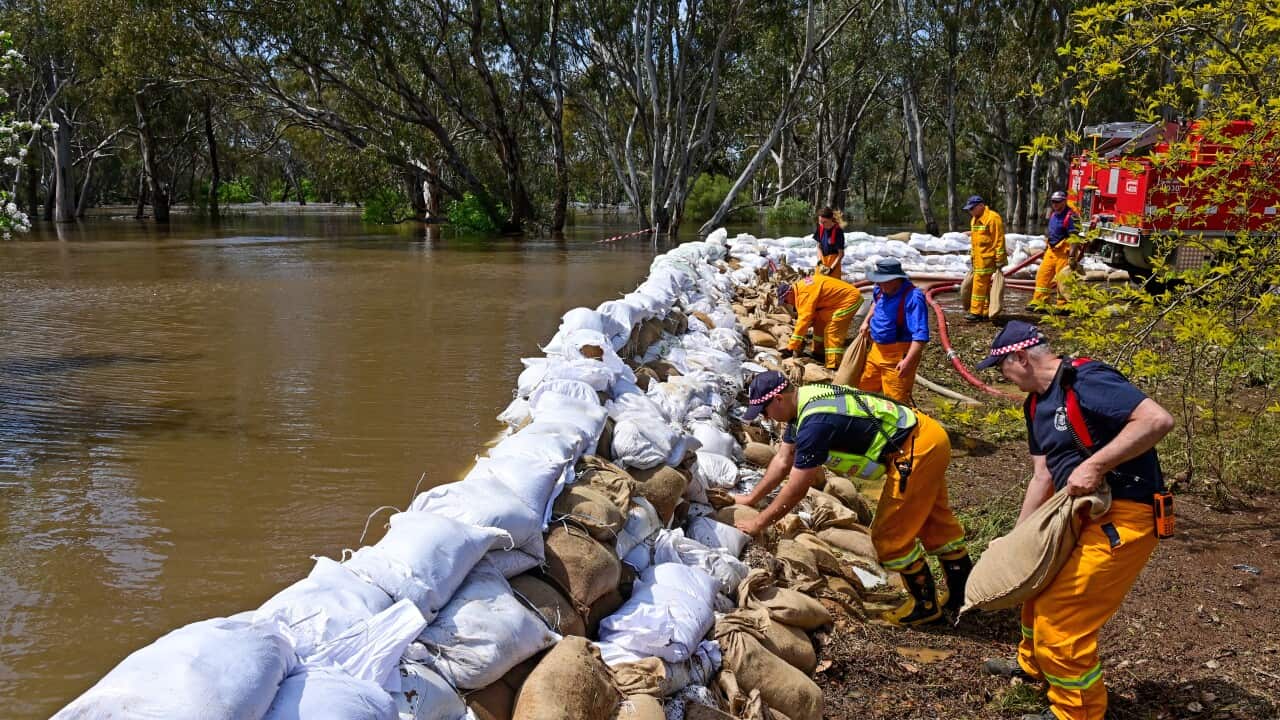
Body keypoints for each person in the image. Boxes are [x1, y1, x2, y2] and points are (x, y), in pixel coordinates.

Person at [975, 321, 1174, 720]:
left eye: (1001, 368)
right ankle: (1033, 665)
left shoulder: (1086, 380)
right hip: (1075, 512)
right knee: (1035, 584)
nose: (1002, 376)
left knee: (1061, 619)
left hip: (1124, 514)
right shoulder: (1035, 404)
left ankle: (1076, 712)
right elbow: (1042, 475)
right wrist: (1017, 539)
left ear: (1020, 357)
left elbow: (1156, 420)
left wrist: (1096, 465)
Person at [733, 371, 972, 626]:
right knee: (934, 522)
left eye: (765, 411)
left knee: (890, 536)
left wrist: (759, 523)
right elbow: (782, 460)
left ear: (779, 399)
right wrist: (750, 499)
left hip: (915, 451)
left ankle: (925, 609)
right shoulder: (803, 404)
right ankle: (964, 596)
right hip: (927, 437)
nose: (764, 417)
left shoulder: (815, 423)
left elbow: (798, 486)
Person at [856, 258, 930, 404]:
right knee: (863, 390)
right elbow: (875, 304)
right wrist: (866, 322)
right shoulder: (881, 289)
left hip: (897, 357)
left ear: (897, 279)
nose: (880, 284)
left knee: (896, 402)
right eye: (878, 281)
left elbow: (920, 336)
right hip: (876, 351)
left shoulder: (913, 298)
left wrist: (908, 361)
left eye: (884, 281)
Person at [777, 274, 863, 370]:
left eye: (786, 300)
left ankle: (833, 364)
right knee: (819, 322)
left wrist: (791, 346)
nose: (787, 303)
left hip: (849, 300)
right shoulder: (800, 288)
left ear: (789, 293)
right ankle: (818, 352)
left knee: (831, 331)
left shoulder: (804, 294)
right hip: (835, 301)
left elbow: (804, 320)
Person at [1030, 191, 1082, 311]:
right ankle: (1040, 301)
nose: (1055, 204)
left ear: (1064, 201)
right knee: (1042, 276)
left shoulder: (1071, 216)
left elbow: (1075, 237)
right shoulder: (1054, 215)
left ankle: (1063, 305)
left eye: (1058, 202)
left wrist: (1072, 257)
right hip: (1051, 251)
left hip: (1064, 252)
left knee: (1063, 279)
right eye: (1053, 202)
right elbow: (1051, 232)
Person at [963, 195, 1006, 321]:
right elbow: (975, 241)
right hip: (978, 259)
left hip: (988, 260)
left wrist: (999, 259)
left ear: (981, 206)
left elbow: (999, 240)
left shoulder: (992, 218)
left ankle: (976, 312)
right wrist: (972, 256)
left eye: (972, 209)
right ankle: (986, 311)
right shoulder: (974, 219)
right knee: (985, 286)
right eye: (969, 209)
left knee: (979, 286)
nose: (970, 212)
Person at [813, 207, 846, 278]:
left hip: (833, 264)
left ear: (831, 219)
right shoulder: (820, 228)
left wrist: (831, 269)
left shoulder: (838, 231)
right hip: (822, 262)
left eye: (824, 222)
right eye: (820, 222)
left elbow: (841, 254)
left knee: (832, 286)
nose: (822, 224)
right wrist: (820, 263)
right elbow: (819, 247)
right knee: (817, 282)